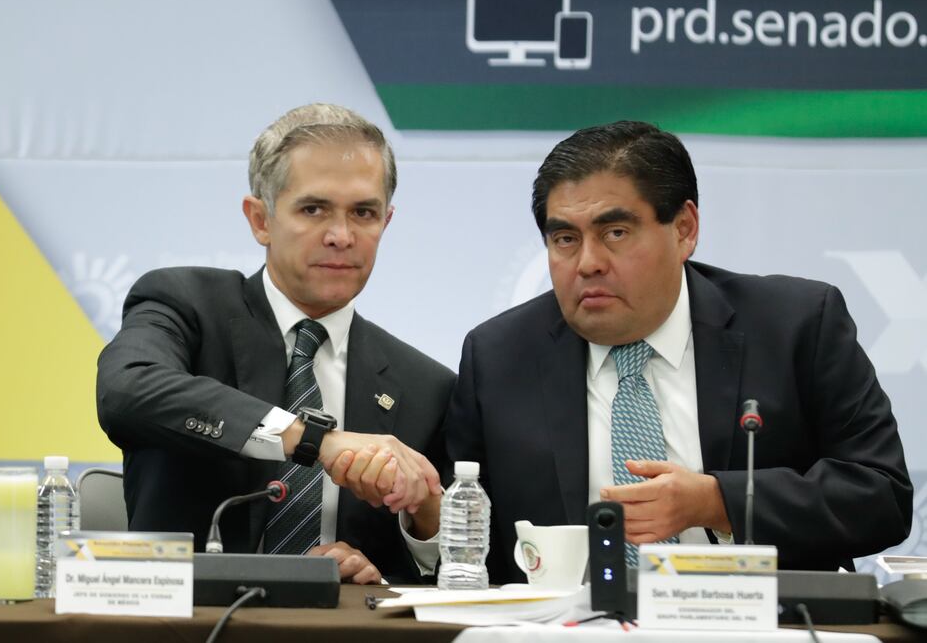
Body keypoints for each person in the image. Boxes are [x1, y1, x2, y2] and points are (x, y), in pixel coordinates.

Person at [444, 120, 912, 583]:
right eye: (565, 239)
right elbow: (465, 533)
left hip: (762, 619)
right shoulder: (499, 357)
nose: (588, 263)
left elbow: (882, 496)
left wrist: (717, 502)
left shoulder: (795, 326)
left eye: (615, 233)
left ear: (684, 229)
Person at [97, 104, 453, 584]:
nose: (341, 236)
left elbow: (447, 575)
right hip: (186, 614)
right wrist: (314, 441)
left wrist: (420, 519)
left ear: (385, 223)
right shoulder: (185, 304)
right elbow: (126, 391)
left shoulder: (425, 386)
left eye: (363, 213)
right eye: (313, 209)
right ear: (260, 219)